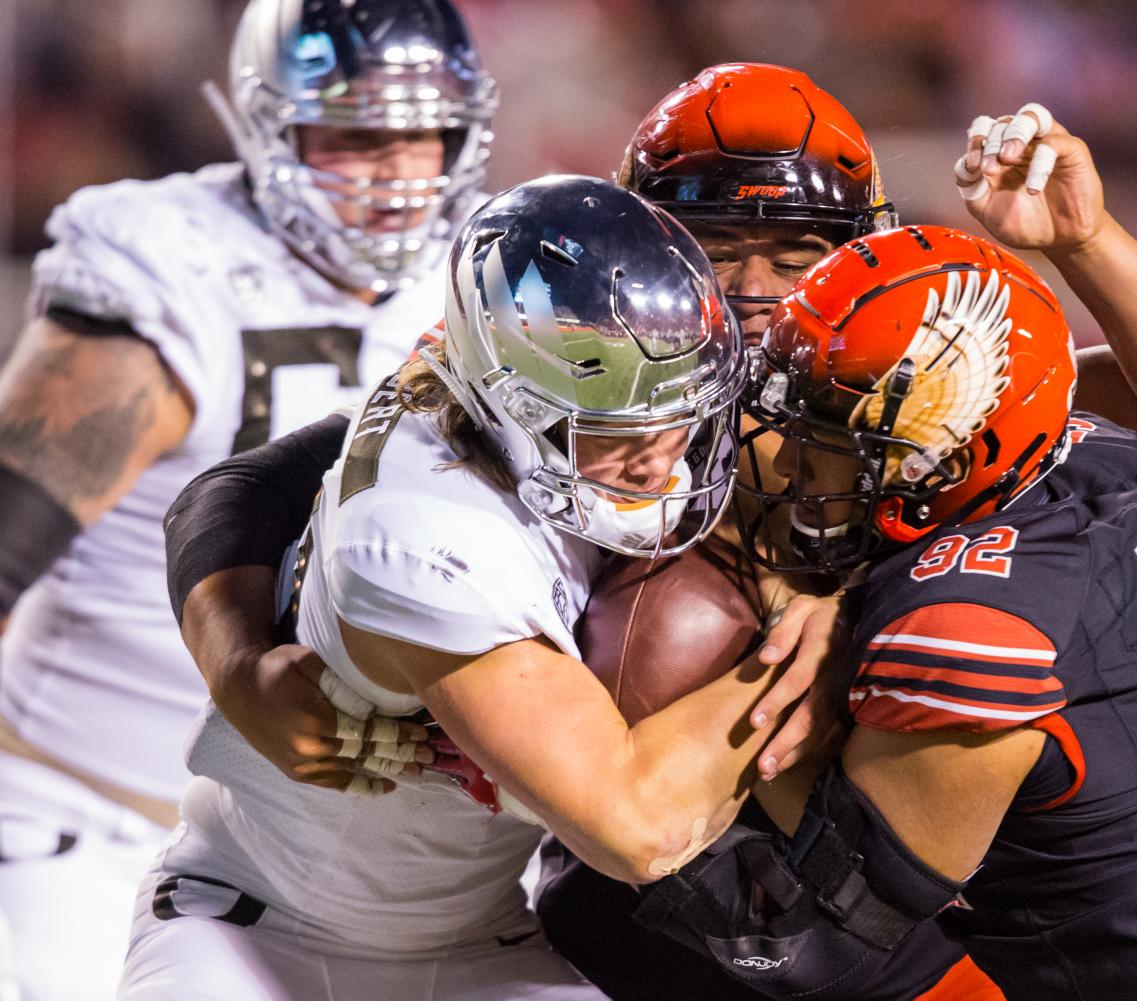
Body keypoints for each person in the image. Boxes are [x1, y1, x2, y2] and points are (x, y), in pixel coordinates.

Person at [161, 71, 1137, 1000]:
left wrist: (1082, 244)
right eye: (711, 241)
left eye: (795, 253)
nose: (751, 291)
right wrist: (240, 662)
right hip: (520, 870)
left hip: (775, 861)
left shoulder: (875, 379)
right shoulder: (562, 358)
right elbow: (254, 483)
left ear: (863, 252)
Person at [633, 221, 1137, 1001]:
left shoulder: (968, 631)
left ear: (947, 461)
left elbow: (797, 943)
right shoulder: (1104, 460)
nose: (789, 461)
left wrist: (604, 805)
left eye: (829, 437)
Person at [118, 175, 821, 1000]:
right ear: (506, 407)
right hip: (253, 934)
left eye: (680, 416)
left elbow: (237, 486)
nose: (660, 458)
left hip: (482, 938)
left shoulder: (501, 366)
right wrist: (819, 637)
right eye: (609, 429)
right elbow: (641, 828)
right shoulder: (425, 532)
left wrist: (237, 659)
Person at [0, 2, 495, 997]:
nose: (396, 170)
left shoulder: (485, 279)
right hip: (89, 825)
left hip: (357, 879)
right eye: (355, 133)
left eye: (423, 133)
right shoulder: (179, 265)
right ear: (269, 125)